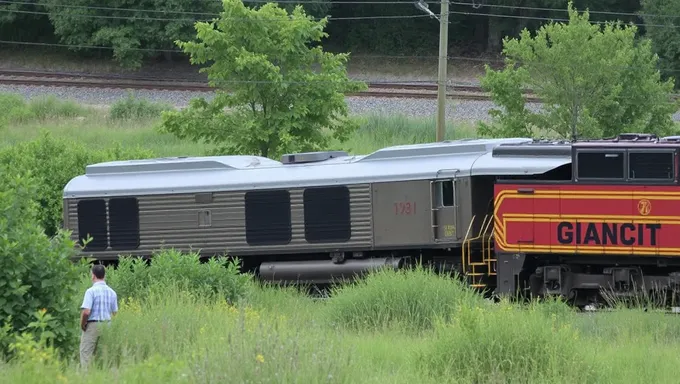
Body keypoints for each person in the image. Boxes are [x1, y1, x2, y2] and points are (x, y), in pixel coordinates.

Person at [79, 264, 118, 369]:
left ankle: (87, 379)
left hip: (92, 325)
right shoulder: (112, 293)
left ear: (93, 276)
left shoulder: (90, 291)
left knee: (86, 354)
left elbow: (86, 312)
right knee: (104, 355)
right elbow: (115, 313)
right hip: (107, 325)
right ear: (104, 276)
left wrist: (83, 324)